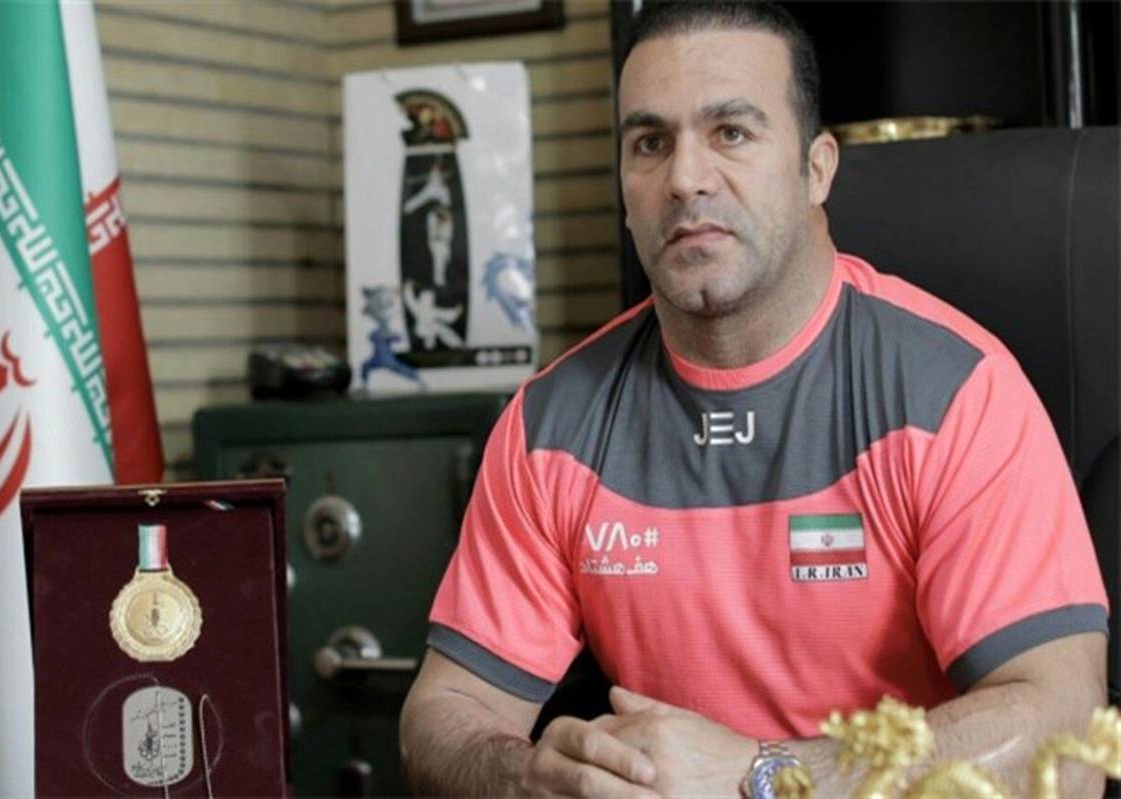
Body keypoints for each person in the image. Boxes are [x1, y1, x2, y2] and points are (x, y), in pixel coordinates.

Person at [399, 2, 1110, 796]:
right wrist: (529, 778)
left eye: (731, 132)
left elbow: (1071, 741)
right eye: (649, 142)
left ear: (817, 169)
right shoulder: (550, 425)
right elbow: (441, 714)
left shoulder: (957, 394)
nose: (685, 178)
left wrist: (761, 775)